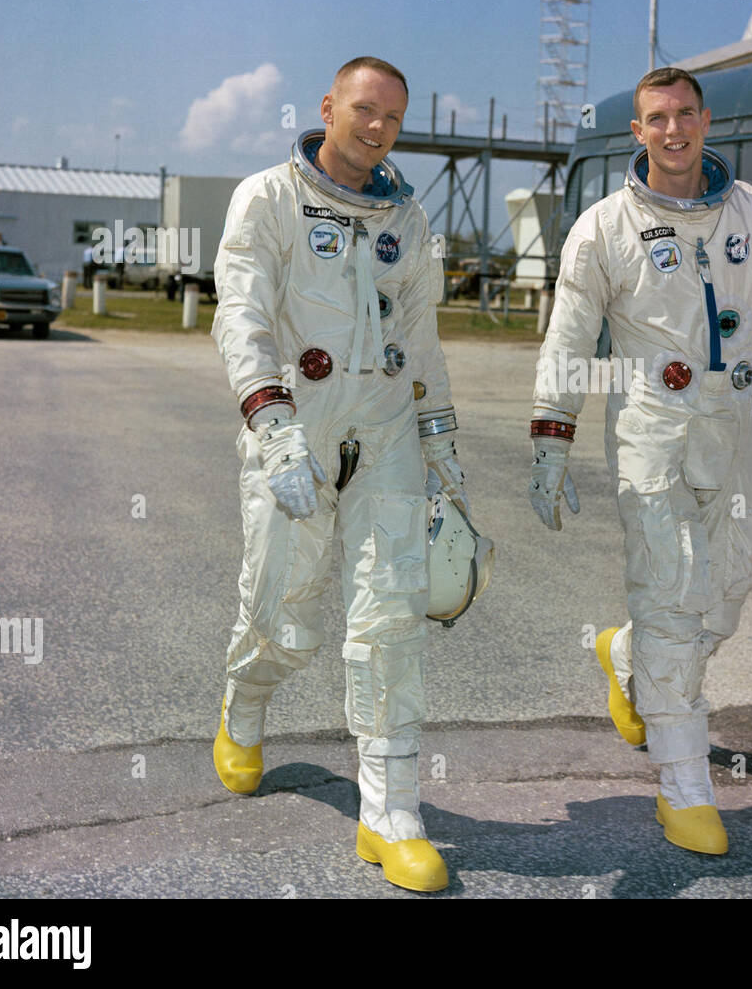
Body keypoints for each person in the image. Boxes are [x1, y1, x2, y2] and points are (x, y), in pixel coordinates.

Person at [528, 67, 752, 854]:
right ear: (638, 132)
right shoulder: (604, 227)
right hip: (653, 436)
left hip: (731, 429)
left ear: (706, 119)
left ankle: (624, 657)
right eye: (657, 118)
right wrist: (554, 437)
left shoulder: (749, 211)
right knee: (668, 601)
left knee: (722, 597)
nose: (674, 131)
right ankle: (684, 788)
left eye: (685, 115)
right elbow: (570, 340)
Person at [210, 57, 467, 892]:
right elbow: (241, 311)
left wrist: (441, 446)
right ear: (328, 107)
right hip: (296, 426)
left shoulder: (408, 217)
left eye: (391, 117)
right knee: (284, 614)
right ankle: (245, 705)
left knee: (389, 617)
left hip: (385, 426)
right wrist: (270, 422)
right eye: (363, 110)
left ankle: (391, 815)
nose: (376, 128)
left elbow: (421, 337)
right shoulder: (269, 197)